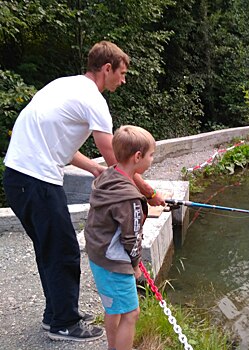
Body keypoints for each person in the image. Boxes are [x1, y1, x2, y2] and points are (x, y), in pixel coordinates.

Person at [2, 41, 165, 342]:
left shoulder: (65, 86)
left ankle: (57, 314)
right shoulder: (94, 100)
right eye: (122, 73)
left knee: (49, 247)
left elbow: (62, 145)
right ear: (107, 69)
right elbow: (121, 161)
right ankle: (64, 324)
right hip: (36, 178)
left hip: (19, 176)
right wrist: (150, 192)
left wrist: (93, 168)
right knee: (63, 249)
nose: (124, 80)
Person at [85, 125, 155, 350]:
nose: (152, 159)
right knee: (131, 313)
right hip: (115, 263)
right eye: (151, 155)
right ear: (137, 157)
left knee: (113, 308)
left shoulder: (108, 176)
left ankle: (113, 346)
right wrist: (135, 266)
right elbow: (131, 238)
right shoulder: (129, 199)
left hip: (98, 256)